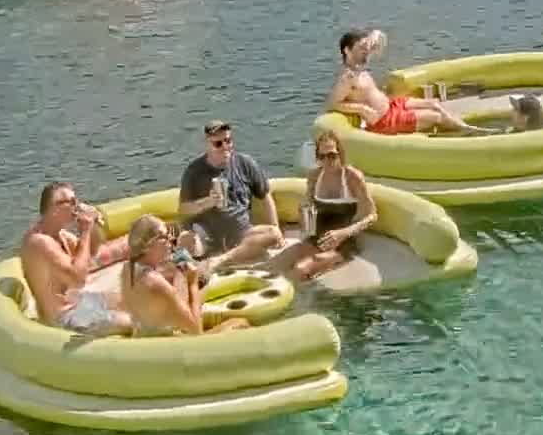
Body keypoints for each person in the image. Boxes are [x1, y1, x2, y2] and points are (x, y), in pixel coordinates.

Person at [21, 181, 133, 335]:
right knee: (135, 322)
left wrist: (94, 225)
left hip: (80, 303)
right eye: (71, 202)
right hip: (66, 317)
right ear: (54, 209)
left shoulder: (62, 236)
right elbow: (77, 279)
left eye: (76, 200)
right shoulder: (40, 242)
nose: (77, 206)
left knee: (138, 300)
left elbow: (92, 252)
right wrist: (85, 232)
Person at [326, 29, 484, 135]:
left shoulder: (359, 66)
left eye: (366, 47)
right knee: (436, 116)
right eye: (361, 48)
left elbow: (381, 37)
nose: (366, 51)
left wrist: (373, 36)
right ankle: (468, 132)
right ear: (347, 50)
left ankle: (461, 127)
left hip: (392, 105)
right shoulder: (347, 78)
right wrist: (361, 109)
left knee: (434, 104)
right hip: (385, 121)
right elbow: (332, 104)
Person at [177, 121, 284, 272]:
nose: (225, 146)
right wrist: (208, 202)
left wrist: (276, 227)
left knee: (273, 233)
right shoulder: (194, 171)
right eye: (218, 143)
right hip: (207, 237)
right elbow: (183, 209)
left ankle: (220, 260)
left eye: (228, 141)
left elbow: (265, 195)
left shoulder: (245, 163)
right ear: (207, 144)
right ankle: (193, 271)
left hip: (242, 235)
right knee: (185, 240)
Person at [119, 215, 251, 336]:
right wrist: (192, 282)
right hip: (172, 347)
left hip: (145, 337)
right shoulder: (156, 283)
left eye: (169, 234)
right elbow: (196, 331)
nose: (171, 239)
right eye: (163, 236)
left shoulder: (127, 269)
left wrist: (178, 277)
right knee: (240, 323)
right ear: (147, 246)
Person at [287, 131, 379, 281]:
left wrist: (344, 233)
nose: (327, 161)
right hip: (316, 238)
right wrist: (304, 217)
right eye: (322, 156)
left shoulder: (351, 177)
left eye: (331, 155)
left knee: (300, 269)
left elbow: (372, 215)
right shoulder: (314, 176)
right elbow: (308, 212)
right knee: (281, 262)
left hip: (343, 243)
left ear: (340, 154)